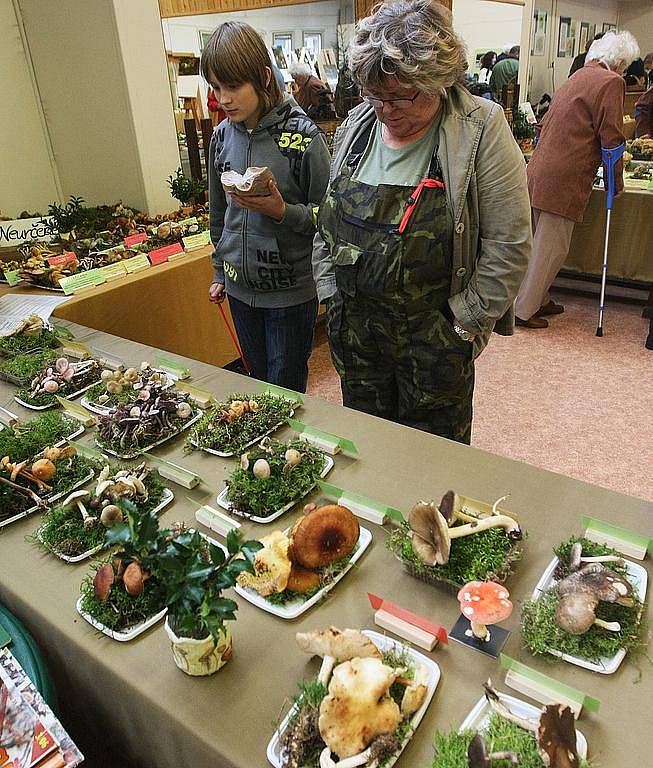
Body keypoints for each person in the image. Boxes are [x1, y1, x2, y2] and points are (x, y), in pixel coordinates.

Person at [312, 0, 531, 444]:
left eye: (400, 95)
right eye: (374, 94)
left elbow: (509, 245)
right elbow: (328, 224)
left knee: (433, 467)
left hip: (434, 343)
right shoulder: (358, 123)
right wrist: (330, 291)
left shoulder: (479, 127)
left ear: (438, 81)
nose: (385, 108)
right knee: (368, 451)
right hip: (356, 337)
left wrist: (462, 326)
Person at [201, 22, 331, 392]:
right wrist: (219, 271)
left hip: (290, 293)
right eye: (215, 87)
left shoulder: (304, 136)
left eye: (232, 86)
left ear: (262, 78)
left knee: (286, 392)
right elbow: (219, 217)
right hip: (240, 291)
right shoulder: (222, 137)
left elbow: (330, 219)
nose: (223, 98)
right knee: (257, 388)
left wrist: (281, 211)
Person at [515, 31, 640, 328]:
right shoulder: (611, 82)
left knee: (533, 243)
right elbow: (611, 137)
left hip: (540, 168)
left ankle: (537, 299)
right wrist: (615, 182)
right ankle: (523, 310)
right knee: (551, 247)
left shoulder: (580, 75)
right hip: (565, 175)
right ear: (620, 62)